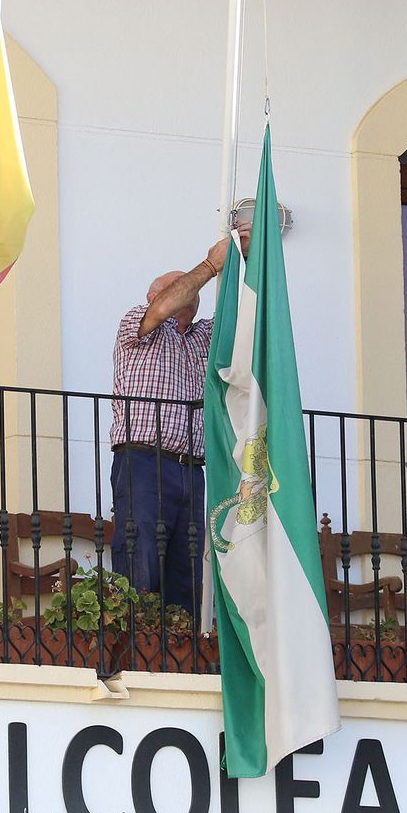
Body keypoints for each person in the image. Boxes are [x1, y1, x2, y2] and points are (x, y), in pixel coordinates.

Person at [109, 225, 249, 613]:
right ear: (157, 296)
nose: (192, 293)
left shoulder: (205, 336)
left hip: (190, 469)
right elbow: (165, 307)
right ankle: (138, 643)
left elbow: (247, 318)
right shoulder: (137, 325)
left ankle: (177, 648)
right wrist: (209, 265)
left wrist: (248, 259)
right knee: (141, 561)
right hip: (142, 461)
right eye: (181, 288)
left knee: (186, 570)